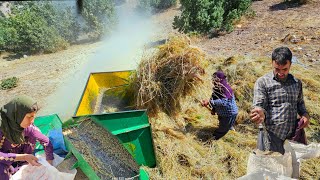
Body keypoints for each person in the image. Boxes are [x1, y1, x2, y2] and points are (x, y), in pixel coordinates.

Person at [250, 47, 310, 154]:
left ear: (290, 64)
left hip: (292, 137)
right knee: (271, 168)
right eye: (277, 69)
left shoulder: (297, 83)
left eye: (285, 69)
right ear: (272, 63)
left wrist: (305, 115)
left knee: (289, 168)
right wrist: (259, 112)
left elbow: (300, 104)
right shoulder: (263, 82)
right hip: (271, 136)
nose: (280, 73)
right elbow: (259, 105)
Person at [0, 95, 54, 179]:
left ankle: (21, 165)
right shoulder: (2, 129)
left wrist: (49, 165)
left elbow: (46, 142)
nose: (31, 121)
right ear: (17, 115)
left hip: (19, 156)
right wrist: (23, 157)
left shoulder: (28, 128)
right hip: (4, 157)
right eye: (29, 117)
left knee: (32, 137)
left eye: (33, 117)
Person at [201, 71, 238, 140]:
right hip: (222, 113)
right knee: (221, 120)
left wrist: (209, 102)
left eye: (216, 79)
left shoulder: (226, 89)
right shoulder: (217, 89)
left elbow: (223, 102)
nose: (213, 81)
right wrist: (213, 109)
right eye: (213, 79)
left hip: (229, 113)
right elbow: (215, 98)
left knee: (223, 128)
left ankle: (214, 138)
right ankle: (229, 127)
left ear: (220, 79)